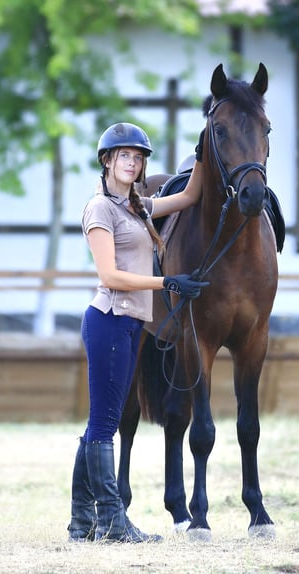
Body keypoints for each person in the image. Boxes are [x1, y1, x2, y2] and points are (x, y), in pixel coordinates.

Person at [67, 122, 208, 543]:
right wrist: (167, 282)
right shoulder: (101, 210)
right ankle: (112, 519)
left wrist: (205, 148)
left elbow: (188, 196)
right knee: (104, 425)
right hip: (108, 320)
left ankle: (80, 521)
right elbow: (110, 275)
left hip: (131, 323)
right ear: (107, 160)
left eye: (138, 157)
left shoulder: (139, 207)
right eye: (124, 155)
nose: (132, 162)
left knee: (99, 425)